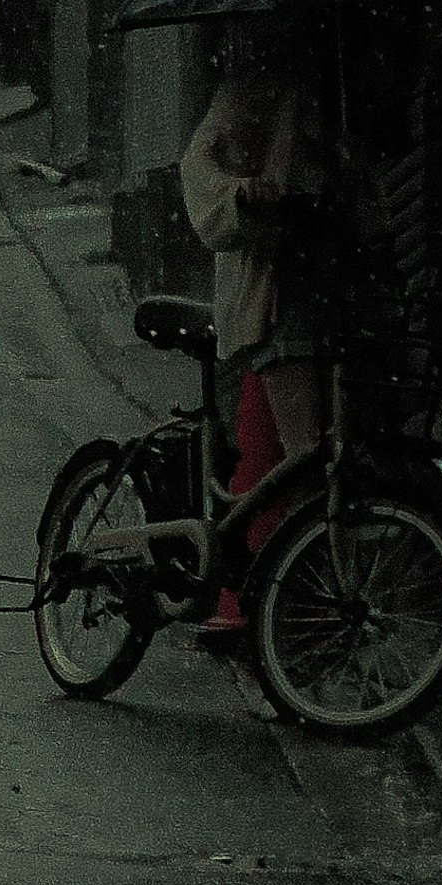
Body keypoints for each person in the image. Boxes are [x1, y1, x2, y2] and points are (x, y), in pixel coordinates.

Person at [181, 43, 333, 619]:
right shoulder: (257, 85)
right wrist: (244, 193)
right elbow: (202, 171)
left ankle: (248, 601)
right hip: (278, 290)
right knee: (305, 459)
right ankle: (286, 605)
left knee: (280, 461)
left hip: (332, 290)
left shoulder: (347, 81)